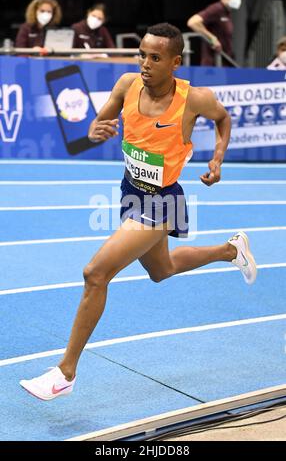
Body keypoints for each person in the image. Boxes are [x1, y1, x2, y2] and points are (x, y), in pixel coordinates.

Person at [20, 23, 257, 401]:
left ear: (175, 62)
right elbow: (101, 122)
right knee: (161, 271)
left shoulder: (194, 98)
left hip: (162, 200)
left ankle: (66, 372)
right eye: (142, 55)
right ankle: (232, 250)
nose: (145, 64)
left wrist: (217, 159)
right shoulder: (127, 84)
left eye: (156, 58)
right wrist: (98, 130)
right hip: (131, 190)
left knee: (95, 273)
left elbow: (223, 119)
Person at [187, 0, 242, 66]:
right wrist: (212, 38)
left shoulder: (227, 12)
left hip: (224, 63)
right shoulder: (217, 8)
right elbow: (192, 22)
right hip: (212, 66)